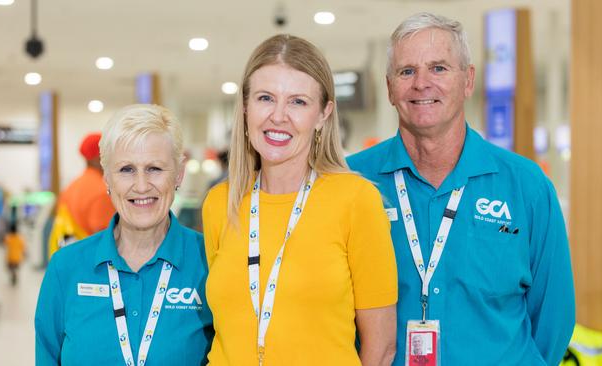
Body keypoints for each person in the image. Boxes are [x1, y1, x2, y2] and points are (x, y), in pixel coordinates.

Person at [347, 12, 575, 365]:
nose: (422, 83)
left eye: (439, 68)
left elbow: (553, 320)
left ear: (468, 80)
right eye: (407, 71)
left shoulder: (526, 186)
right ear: (390, 88)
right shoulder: (350, 182)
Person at [202, 34, 398, 366]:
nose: (279, 116)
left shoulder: (356, 200)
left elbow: (381, 349)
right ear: (246, 106)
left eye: (298, 102)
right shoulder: (221, 203)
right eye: (266, 98)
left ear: (323, 114)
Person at [35, 104, 213, 365]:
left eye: (155, 168)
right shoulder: (66, 268)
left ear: (179, 174)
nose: (141, 186)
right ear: (107, 178)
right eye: (126, 169)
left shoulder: (210, 260)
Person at [48, 132, 116, 256]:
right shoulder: (101, 192)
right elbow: (105, 241)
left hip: (71, 259)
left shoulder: (70, 187)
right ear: (99, 157)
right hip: (91, 264)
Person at [4, 204, 26, 286]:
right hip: (17, 258)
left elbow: (5, 243)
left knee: (10, 268)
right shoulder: (20, 238)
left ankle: (13, 276)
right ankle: (15, 275)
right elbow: (23, 247)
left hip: (10, 258)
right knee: (16, 268)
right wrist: (24, 253)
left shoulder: (8, 238)